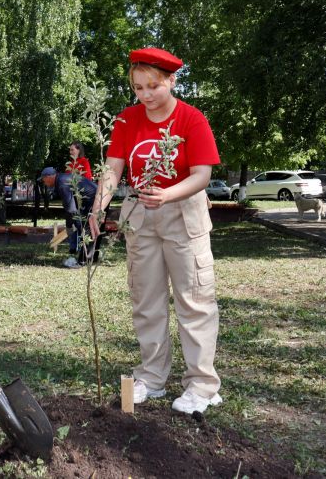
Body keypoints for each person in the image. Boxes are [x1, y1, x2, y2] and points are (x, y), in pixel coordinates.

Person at [88, 47, 222, 415]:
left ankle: (202, 385)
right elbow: (114, 167)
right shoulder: (128, 120)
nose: (145, 95)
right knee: (146, 301)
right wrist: (99, 206)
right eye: (138, 87)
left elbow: (202, 176)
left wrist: (167, 194)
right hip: (141, 214)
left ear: (171, 81)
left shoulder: (192, 119)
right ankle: (152, 376)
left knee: (194, 300)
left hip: (183, 213)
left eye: (153, 86)